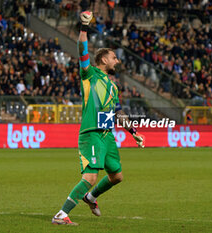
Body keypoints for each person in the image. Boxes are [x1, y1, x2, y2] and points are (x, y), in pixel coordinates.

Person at [52, 11, 146, 226]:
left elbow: (118, 112)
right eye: (114, 57)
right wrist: (84, 26)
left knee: (117, 177)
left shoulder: (113, 86)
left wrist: (134, 133)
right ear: (104, 59)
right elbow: (82, 49)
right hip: (91, 134)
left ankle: (91, 197)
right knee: (90, 177)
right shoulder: (90, 74)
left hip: (107, 136)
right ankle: (61, 214)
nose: (118, 60)